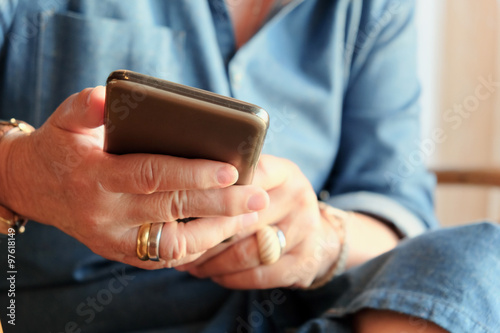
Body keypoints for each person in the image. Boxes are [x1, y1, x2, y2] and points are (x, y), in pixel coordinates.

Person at [0, 0, 498, 332]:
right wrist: (21, 172)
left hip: (300, 315)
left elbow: (398, 217)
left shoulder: (372, 8)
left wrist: (321, 239)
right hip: (95, 316)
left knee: (482, 254)